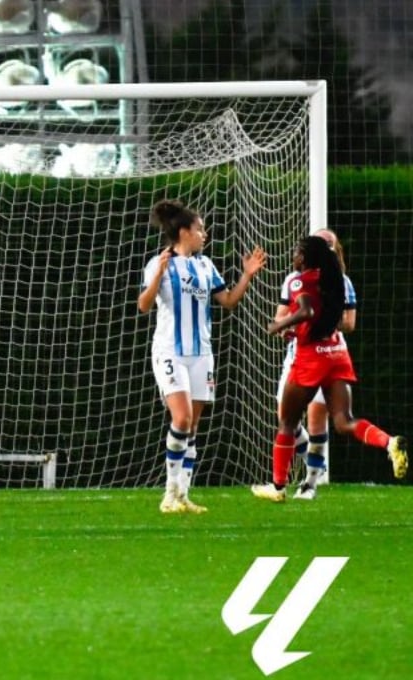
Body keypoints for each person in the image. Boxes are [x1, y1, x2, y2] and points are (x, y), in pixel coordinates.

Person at [252, 236, 407, 501]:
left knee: (287, 422)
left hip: (311, 358)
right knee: (344, 420)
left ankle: (278, 487)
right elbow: (325, 319)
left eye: (297, 252)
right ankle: (389, 442)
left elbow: (307, 312)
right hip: (336, 352)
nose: (293, 255)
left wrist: (279, 325)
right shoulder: (335, 280)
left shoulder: (302, 280)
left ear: (305, 257)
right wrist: (295, 330)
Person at [137, 199, 266, 514]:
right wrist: (159, 276)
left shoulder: (206, 265)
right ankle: (169, 493)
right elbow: (143, 305)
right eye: (199, 229)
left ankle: (183, 495)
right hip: (170, 351)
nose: (204, 234)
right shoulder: (159, 263)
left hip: (201, 354)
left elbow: (228, 301)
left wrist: (247, 275)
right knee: (180, 419)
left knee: (192, 428)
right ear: (184, 232)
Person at [273, 229, 357, 500]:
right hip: (297, 355)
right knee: (285, 418)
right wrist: (290, 327)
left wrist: (319, 321)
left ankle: (309, 484)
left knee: (317, 417)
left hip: (327, 353)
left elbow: (349, 323)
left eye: (330, 243)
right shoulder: (293, 281)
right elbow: (283, 314)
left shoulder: (342, 282)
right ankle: (313, 465)